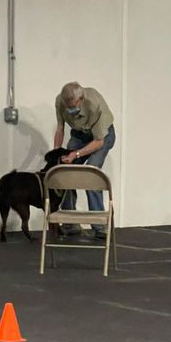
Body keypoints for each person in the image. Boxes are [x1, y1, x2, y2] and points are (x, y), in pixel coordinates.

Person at [54, 82, 116, 239]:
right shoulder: (60, 101)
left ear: (81, 100)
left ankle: (100, 227)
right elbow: (60, 128)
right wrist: (56, 152)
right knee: (66, 171)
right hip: (79, 135)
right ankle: (70, 224)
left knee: (91, 173)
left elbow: (99, 142)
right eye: (67, 106)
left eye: (72, 106)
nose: (69, 109)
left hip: (102, 136)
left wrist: (76, 154)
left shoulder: (94, 104)